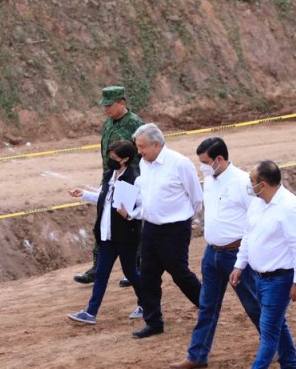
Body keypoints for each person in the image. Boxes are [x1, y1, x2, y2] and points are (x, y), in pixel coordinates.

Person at [168, 137, 262, 369]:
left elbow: (258, 218)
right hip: (212, 255)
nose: (203, 167)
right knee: (207, 305)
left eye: (206, 162)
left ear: (219, 159)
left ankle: (278, 347)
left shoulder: (243, 182)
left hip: (237, 255)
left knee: (254, 305)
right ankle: (197, 355)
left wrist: (248, 256)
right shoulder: (210, 180)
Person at [227, 160, 296, 369]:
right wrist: (239, 265)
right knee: (276, 325)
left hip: (280, 279)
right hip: (259, 277)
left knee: (269, 331)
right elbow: (248, 235)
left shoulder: (289, 208)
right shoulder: (258, 203)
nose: (249, 185)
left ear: (262, 185)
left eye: (252, 181)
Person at [124, 123, 203, 339]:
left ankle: (207, 307)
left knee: (180, 273)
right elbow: (146, 195)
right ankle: (153, 322)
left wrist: (184, 219)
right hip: (150, 229)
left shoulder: (180, 163)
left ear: (156, 144)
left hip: (174, 230)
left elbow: (196, 198)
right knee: (148, 276)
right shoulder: (145, 162)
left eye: (142, 147)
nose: (139, 151)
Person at [67, 140, 144, 325]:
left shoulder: (135, 179)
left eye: (114, 157)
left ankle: (147, 303)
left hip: (126, 235)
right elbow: (104, 199)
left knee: (131, 272)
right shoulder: (110, 175)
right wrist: (84, 194)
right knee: (101, 273)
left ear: (125, 159)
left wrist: (130, 214)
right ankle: (91, 312)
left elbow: (144, 206)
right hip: (107, 235)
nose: (110, 160)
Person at [73, 86, 144, 287]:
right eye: (104, 106)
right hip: (110, 176)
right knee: (102, 220)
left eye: (109, 105)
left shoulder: (136, 125)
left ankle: (135, 268)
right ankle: (98, 267)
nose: (106, 109)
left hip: (129, 178)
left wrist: (133, 180)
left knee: (128, 224)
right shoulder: (109, 123)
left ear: (122, 102)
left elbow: (142, 154)